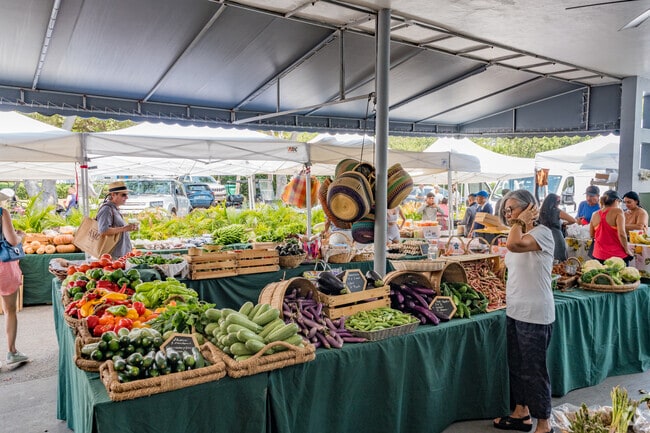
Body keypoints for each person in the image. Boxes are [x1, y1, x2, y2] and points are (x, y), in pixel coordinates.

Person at [493, 189, 555, 433]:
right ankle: (521, 414)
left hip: (536, 315)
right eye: (506, 211)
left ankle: (544, 424)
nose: (508, 215)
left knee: (534, 370)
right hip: (516, 311)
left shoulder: (543, 234)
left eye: (512, 210)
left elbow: (514, 244)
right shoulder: (520, 232)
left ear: (530, 207)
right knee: (517, 367)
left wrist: (521, 221)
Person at [0, 189, 29, 367]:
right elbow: (11, 240)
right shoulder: (2, 212)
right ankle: (11, 352)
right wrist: (21, 236)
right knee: (9, 309)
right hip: (3, 266)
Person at [96, 181, 138, 260]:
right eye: (123, 195)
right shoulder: (106, 209)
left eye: (126, 195)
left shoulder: (114, 209)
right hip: (113, 256)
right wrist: (124, 228)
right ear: (113, 195)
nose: (126, 197)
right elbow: (103, 230)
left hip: (120, 254)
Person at [589, 190, 632, 265]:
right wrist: (627, 249)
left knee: (601, 276)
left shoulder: (594, 214)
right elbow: (621, 234)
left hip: (598, 255)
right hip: (616, 256)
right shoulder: (618, 211)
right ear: (616, 200)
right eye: (619, 202)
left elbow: (592, 235)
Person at [539, 193, 576, 262]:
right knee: (559, 259)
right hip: (556, 236)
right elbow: (573, 220)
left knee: (547, 259)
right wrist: (565, 223)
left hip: (543, 236)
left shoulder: (540, 212)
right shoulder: (557, 211)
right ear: (556, 202)